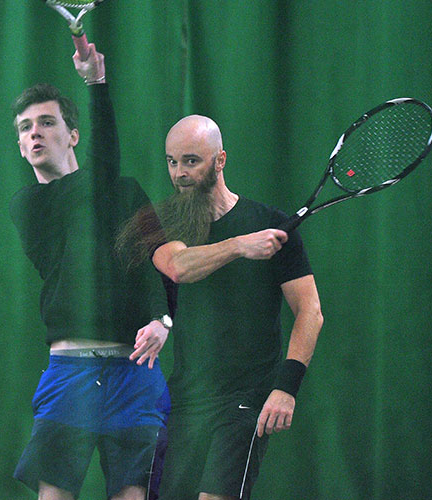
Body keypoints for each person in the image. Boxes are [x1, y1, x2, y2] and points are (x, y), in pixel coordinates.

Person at [10, 44, 175, 500]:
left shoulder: (127, 192)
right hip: (70, 374)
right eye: (25, 128)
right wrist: (95, 83)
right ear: (21, 148)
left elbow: (160, 270)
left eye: (47, 122)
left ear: (74, 135)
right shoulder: (28, 206)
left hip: (134, 372)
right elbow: (97, 178)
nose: (35, 133)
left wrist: (164, 322)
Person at [131, 115, 324, 500]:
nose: (179, 173)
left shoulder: (269, 222)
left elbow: (310, 311)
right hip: (185, 399)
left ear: (220, 161)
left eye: (191, 161)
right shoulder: (162, 225)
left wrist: (286, 388)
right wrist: (240, 246)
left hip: (246, 399)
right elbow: (178, 267)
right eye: (172, 162)